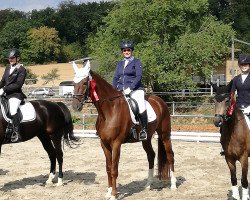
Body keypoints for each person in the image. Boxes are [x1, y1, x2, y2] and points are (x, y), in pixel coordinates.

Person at [112, 41, 148, 141]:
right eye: (125, 50)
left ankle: (144, 130)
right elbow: (115, 77)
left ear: (131, 51)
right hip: (121, 89)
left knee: (140, 105)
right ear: (122, 52)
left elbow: (139, 76)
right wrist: (113, 89)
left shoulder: (137, 62)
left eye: (128, 50)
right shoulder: (120, 63)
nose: (126, 52)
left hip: (135, 89)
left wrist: (131, 88)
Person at [0, 48, 27, 142]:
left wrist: (4, 89)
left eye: (12, 58)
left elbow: (18, 85)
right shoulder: (7, 67)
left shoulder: (21, 69)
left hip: (15, 95)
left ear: (17, 58)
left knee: (12, 110)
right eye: (9, 58)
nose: (10, 60)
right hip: (6, 94)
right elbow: (3, 81)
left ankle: (17, 133)